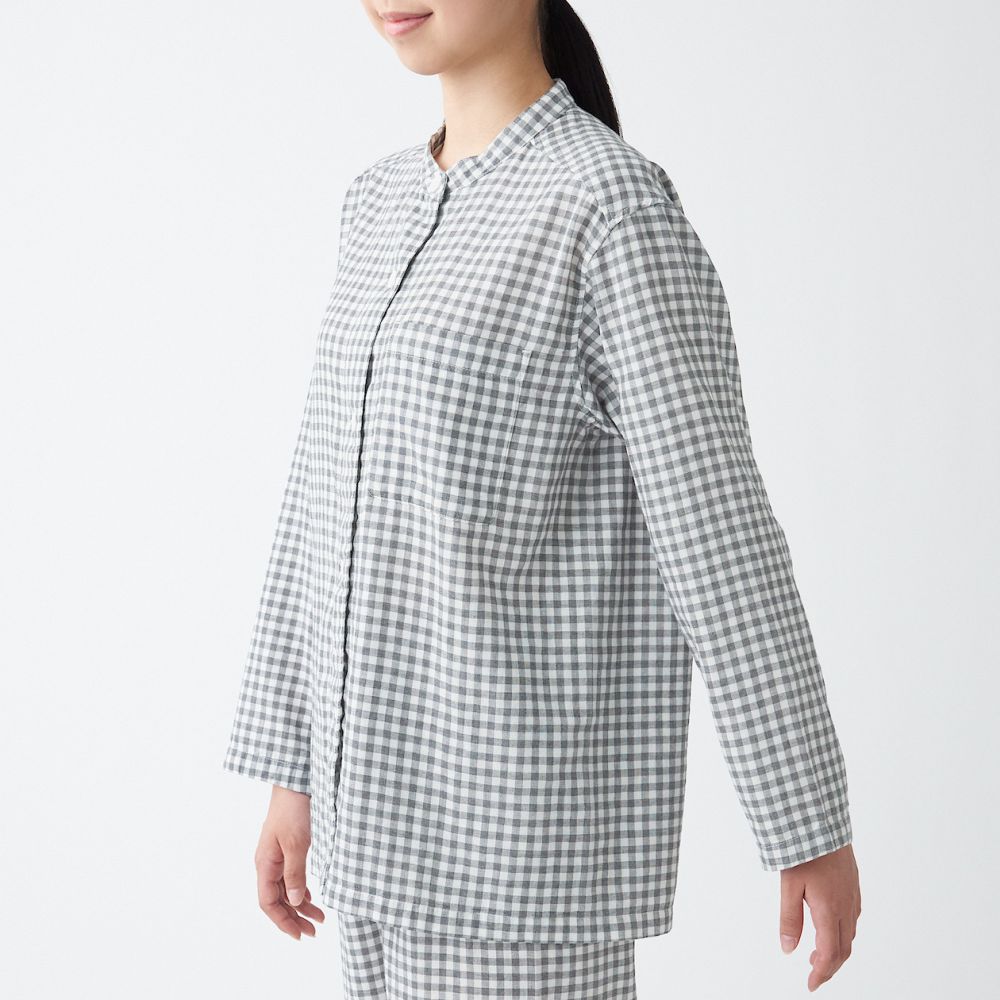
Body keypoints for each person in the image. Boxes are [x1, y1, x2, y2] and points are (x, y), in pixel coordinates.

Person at [222, 2, 862, 996]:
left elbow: (717, 536)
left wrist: (805, 820)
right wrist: (293, 770)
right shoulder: (376, 201)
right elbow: (320, 500)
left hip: (517, 860)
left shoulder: (607, 208)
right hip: (370, 841)